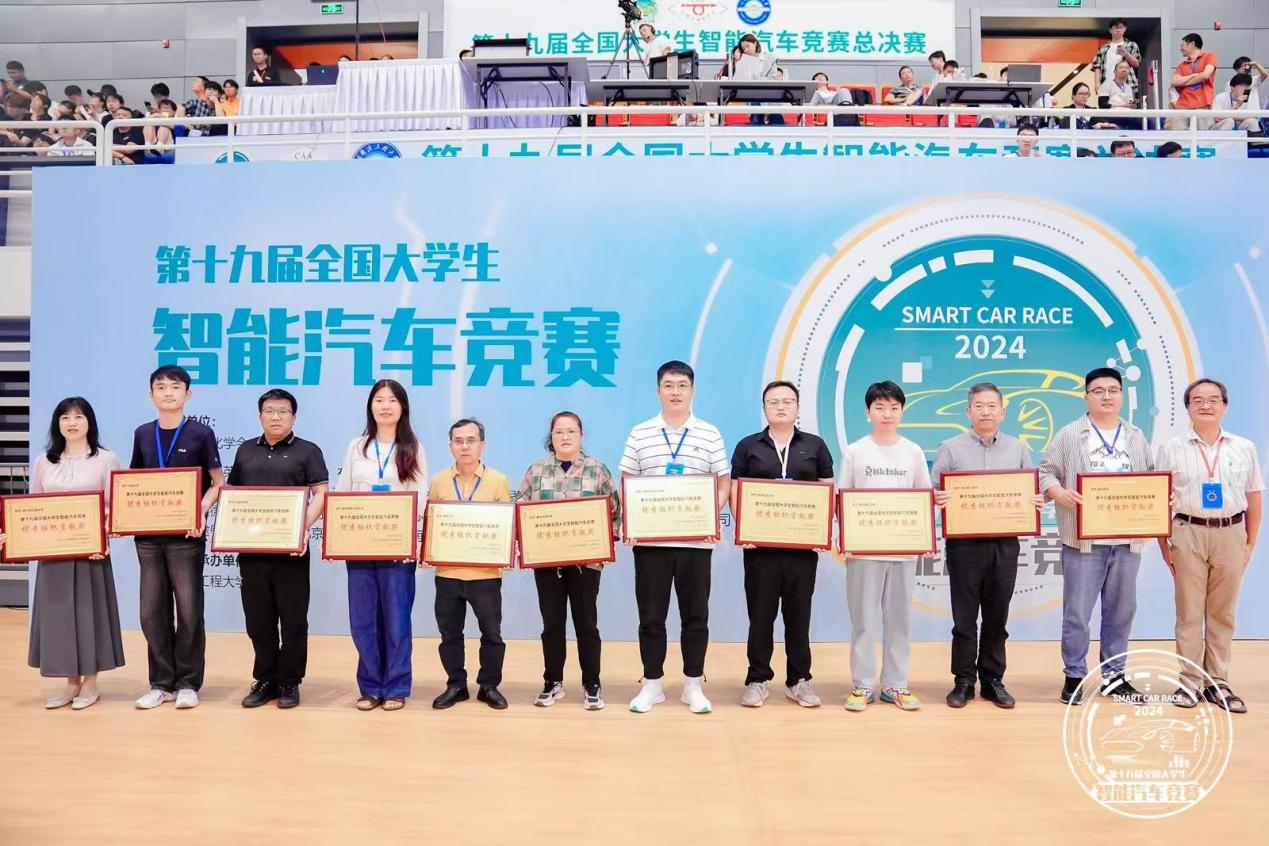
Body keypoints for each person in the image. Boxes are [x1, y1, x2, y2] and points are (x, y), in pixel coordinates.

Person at [1039, 368, 1159, 706]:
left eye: (1113, 390)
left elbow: (1151, 477)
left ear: (1121, 395)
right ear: (1086, 396)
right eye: (1098, 391)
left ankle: (1115, 677)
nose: (1107, 396)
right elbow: (1046, 472)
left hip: (1126, 539)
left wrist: (1161, 498)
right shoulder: (1069, 434)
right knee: (1077, 612)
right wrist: (1059, 493)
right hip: (1083, 541)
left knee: (1121, 611)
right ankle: (1074, 675)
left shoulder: (1135, 435)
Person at [621, 360, 729, 714]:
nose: (676, 392)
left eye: (682, 385)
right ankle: (652, 684)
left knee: (695, 615)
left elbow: (723, 482)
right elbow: (627, 481)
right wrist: (631, 523)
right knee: (651, 616)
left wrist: (708, 516)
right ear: (658, 391)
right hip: (651, 543)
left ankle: (692, 685)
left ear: (692, 390)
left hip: (695, 543)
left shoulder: (709, 433)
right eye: (669, 385)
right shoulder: (640, 433)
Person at [931, 383, 1044, 710]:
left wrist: (1036, 501)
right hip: (964, 545)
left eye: (992, 406)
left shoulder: (1018, 448)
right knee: (964, 619)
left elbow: (1031, 490)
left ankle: (993, 679)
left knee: (997, 616)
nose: (986, 412)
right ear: (968, 412)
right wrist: (937, 497)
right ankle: (964, 680)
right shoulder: (950, 448)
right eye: (979, 406)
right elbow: (931, 493)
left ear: (1002, 412)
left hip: (1005, 544)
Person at [1156, 379, 1262, 714]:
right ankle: (1189, 682)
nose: (1206, 405)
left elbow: (1253, 496)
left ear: (1225, 407)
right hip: (1187, 531)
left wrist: (1250, 542)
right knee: (1188, 612)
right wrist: (1163, 544)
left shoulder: (1243, 447)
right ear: (1188, 407)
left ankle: (1218, 682)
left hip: (1231, 532)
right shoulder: (1171, 448)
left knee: (1222, 613)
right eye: (1198, 400)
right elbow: (1158, 498)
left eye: (1214, 399)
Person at [730, 381, 834, 709]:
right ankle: (757, 679)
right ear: (764, 408)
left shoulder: (815, 446)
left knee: (798, 617)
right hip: (760, 551)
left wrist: (821, 530)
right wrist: (745, 529)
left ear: (797, 407)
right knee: (760, 616)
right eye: (773, 402)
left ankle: (799, 680)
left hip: (802, 551)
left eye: (787, 401)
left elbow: (828, 490)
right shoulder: (748, 446)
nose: (780, 406)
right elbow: (735, 491)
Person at [129, 365, 224, 710]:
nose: (168, 393)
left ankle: (187, 682)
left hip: (186, 536)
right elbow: (132, 484)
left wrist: (201, 511)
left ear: (188, 393)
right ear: (150, 394)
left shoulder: (201, 433)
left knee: (188, 611)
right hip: (148, 537)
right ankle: (160, 683)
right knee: (151, 612)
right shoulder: (143, 433)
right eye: (161, 387)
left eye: (175, 387)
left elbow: (218, 482)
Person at [228, 390, 328, 710]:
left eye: (283, 411)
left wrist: (301, 529)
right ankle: (266, 679)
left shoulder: (308, 451)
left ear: (293, 417)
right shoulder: (245, 450)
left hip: (291, 552)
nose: (275, 416)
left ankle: (290, 680)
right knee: (259, 620)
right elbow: (233, 496)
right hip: (252, 551)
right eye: (269, 410)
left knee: (293, 619)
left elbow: (321, 494)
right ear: (260, 416)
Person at [23, 398, 125, 710]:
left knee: (88, 614)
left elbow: (115, 507)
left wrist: (103, 539)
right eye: (65, 417)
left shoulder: (106, 459)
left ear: (89, 422)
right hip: (53, 553)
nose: (72, 423)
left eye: (78, 417)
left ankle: (91, 683)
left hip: (90, 552)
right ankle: (71, 684)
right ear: (57, 424)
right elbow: (32, 506)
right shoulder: (44, 461)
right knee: (59, 617)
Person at [515, 411, 620, 711]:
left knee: (587, 625)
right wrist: (526, 541)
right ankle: (553, 682)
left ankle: (592, 684)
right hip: (547, 563)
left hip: (586, 565)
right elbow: (520, 508)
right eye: (559, 431)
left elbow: (615, 512)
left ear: (581, 436)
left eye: (571, 431)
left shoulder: (597, 470)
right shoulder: (536, 471)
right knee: (552, 625)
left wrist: (604, 545)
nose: (565, 436)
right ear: (551, 436)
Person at [838, 381, 930, 712]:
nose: (887, 414)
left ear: (902, 411)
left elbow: (924, 497)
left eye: (893, 407)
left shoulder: (913, 452)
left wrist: (924, 537)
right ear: (868, 412)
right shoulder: (855, 451)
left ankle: (895, 685)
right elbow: (842, 498)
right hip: (864, 553)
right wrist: (845, 539)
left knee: (900, 621)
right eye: (879, 407)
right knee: (864, 621)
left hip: (903, 552)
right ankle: (862, 686)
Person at [335, 379, 426, 712]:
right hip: (359, 545)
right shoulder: (357, 446)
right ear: (370, 406)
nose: (385, 406)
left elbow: (420, 498)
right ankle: (371, 686)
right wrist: (336, 538)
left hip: (396, 547)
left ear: (403, 407)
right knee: (363, 618)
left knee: (397, 619)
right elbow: (343, 492)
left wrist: (411, 540)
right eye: (379, 400)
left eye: (392, 400)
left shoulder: (413, 447)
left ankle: (397, 686)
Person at [426, 418, 512, 711]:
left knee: (492, 633)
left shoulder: (498, 480)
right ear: (450, 446)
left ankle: (489, 686)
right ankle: (456, 685)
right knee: (449, 633)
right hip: (447, 573)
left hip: (485, 574)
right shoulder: (439, 481)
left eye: (471, 440)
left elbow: (505, 525)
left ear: (482, 445)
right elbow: (432, 522)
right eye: (459, 441)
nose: (465, 446)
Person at [1170, 33, 1217, 129]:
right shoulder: (1181, 65)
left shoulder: (1209, 56)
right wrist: (1193, 75)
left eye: (1182, 45)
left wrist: (1184, 82)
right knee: (1178, 135)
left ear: (1192, 44)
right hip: (1182, 105)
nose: (1180, 49)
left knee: (1202, 135)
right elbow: (1174, 82)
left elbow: (1205, 75)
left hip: (1202, 103)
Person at [1091, 18, 1141, 93]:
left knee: (1126, 101)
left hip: (1127, 85)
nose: (1118, 30)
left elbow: (1137, 64)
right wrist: (1097, 83)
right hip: (1107, 86)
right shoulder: (1103, 48)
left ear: (1125, 29)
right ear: (1110, 30)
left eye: (1120, 27)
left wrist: (1126, 54)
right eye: (1115, 28)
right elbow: (1096, 66)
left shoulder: (1131, 45)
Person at [1098, 59, 1138, 128]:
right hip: (1112, 116)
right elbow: (1102, 105)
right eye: (1121, 68)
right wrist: (1123, 106)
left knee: (1146, 122)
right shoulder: (1107, 85)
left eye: (1126, 68)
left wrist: (1132, 106)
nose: (1124, 70)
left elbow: (1129, 104)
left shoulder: (1129, 88)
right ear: (1114, 71)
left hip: (1127, 115)